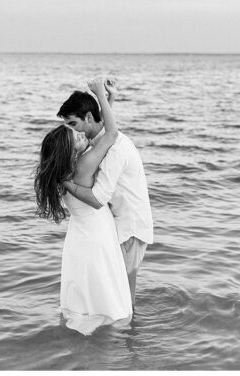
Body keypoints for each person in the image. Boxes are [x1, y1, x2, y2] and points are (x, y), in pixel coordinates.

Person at [35, 77, 132, 335]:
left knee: (85, 292)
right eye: (76, 136)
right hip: (97, 238)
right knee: (105, 293)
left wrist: (109, 102)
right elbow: (110, 133)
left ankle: (81, 339)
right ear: (70, 149)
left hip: (78, 239)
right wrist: (100, 94)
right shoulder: (84, 164)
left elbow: (98, 129)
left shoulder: (64, 170)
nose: (82, 135)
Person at [59, 82, 153, 309]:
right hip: (120, 226)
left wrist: (64, 181)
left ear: (88, 118)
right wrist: (109, 99)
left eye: (73, 124)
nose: (72, 131)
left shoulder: (115, 149)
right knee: (117, 291)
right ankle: (124, 337)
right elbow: (103, 129)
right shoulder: (100, 140)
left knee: (125, 295)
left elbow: (99, 198)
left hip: (129, 228)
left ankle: (130, 339)